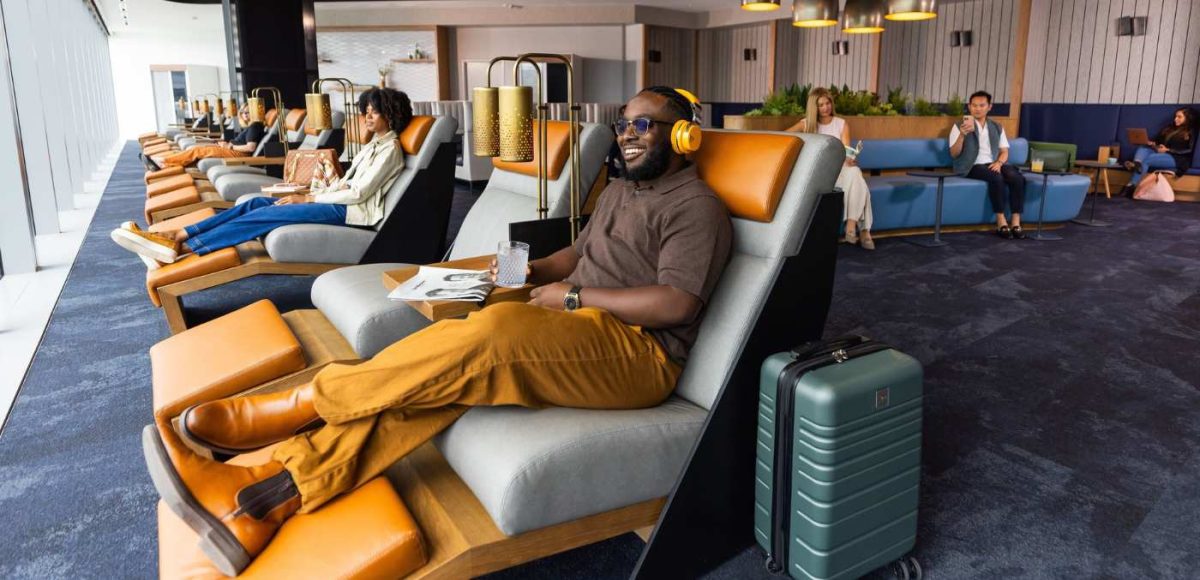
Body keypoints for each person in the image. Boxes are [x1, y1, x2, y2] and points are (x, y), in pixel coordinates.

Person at [141, 86, 733, 576]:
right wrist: (513, 272)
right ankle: (262, 499)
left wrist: (572, 296)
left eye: (644, 127)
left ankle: (299, 404)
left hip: (639, 355)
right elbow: (575, 256)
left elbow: (677, 302)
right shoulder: (621, 192)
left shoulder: (693, 206)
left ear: (682, 138)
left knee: (490, 333)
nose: (627, 135)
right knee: (438, 376)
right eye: (624, 123)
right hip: (574, 326)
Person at [111, 87, 412, 266]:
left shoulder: (391, 151)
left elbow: (359, 193)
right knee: (255, 203)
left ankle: (186, 248)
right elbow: (346, 182)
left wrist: (306, 197)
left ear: (391, 115)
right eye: (366, 112)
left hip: (351, 212)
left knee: (269, 213)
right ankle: (180, 234)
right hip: (338, 201)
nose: (367, 117)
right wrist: (310, 188)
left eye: (373, 112)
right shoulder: (372, 146)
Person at [786, 88, 874, 250]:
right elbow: (783, 137)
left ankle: (850, 226)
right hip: (819, 174)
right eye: (820, 105)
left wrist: (849, 158)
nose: (825, 107)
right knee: (861, 184)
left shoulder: (841, 123)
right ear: (814, 107)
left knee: (855, 172)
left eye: (827, 103)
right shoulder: (805, 124)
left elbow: (846, 150)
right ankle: (864, 231)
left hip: (841, 170)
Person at [950, 90, 1026, 239]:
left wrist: (999, 162)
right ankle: (1001, 221)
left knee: (1016, 177)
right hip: (970, 166)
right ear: (969, 106)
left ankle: (1016, 222)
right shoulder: (959, 125)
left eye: (981, 105)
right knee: (996, 178)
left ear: (989, 107)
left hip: (991, 163)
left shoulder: (996, 126)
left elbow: (1004, 151)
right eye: (974, 105)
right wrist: (962, 135)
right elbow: (954, 153)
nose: (977, 108)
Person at [159, 107, 265, 168]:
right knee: (200, 149)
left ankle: (165, 161)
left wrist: (230, 147)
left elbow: (250, 147)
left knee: (197, 151)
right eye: (243, 112)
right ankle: (169, 164)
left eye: (248, 112)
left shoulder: (255, 126)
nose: (244, 115)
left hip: (238, 153)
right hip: (232, 149)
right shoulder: (251, 126)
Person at [1125, 107, 1196, 187]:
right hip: (1161, 152)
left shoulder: (1190, 131)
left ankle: (1130, 185)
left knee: (1147, 159)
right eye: (1175, 117)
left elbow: (1189, 150)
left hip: (1176, 158)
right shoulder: (1169, 128)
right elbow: (1158, 140)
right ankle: (1137, 164)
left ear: (1187, 118)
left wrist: (1168, 150)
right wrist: (1153, 143)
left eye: (1179, 117)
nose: (1175, 119)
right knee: (1143, 147)